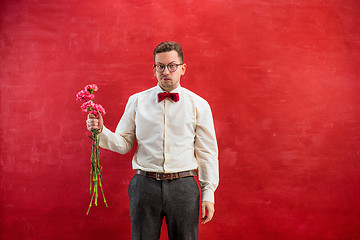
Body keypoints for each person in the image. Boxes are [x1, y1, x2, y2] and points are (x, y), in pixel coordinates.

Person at [86, 41, 219, 240]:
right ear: (154, 69)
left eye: (172, 66)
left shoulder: (199, 105)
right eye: (160, 66)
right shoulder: (137, 101)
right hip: (144, 185)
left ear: (182, 69)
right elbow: (123, 144)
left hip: (184, 186)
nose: (166, 71)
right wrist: (101, 130)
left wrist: (208, 193)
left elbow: (207, 152)